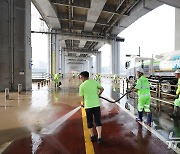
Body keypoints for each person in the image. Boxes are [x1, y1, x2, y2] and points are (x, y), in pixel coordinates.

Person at [79, 71, 104, 144]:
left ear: (83, 77)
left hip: (88, 106)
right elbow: (102, 89)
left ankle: (92, 136)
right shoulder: (94, 82)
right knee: (98, 121)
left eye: (80, 77)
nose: (80, 78)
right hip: (96, 104)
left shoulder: (82, 85)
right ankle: (99, 137)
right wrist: (98, 94)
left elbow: (83, 96)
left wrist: (83, 103)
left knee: (89, 121)